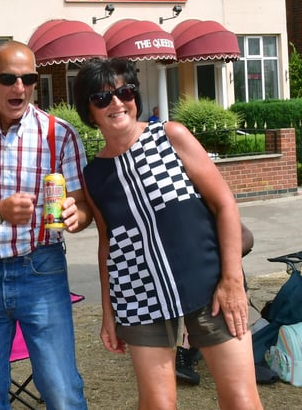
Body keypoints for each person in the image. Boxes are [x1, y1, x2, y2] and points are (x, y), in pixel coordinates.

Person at [74, 57, 263, 409]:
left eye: (125, 92)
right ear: (89, 111)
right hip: (138, 296)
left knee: (241, 400)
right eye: (102, 98)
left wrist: (232, 279)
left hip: (209, 284)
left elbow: (224, 204)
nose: (117, 103)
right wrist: (108, 313)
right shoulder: (94, 175)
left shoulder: (171, 136)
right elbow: (107, 245)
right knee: (158, 403)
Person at [0, 40, 92, 409]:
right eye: (8, 78)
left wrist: (74, 216)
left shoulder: (59, 134)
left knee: (61, 389)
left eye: (28, 78)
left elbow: (83, 207)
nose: (19, 87)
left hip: (40, 268)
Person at [175, 222, 255, 385]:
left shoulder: (208, 202)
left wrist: (221, 258)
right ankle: (184, 349)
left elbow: (246, 236)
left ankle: (238, 345)